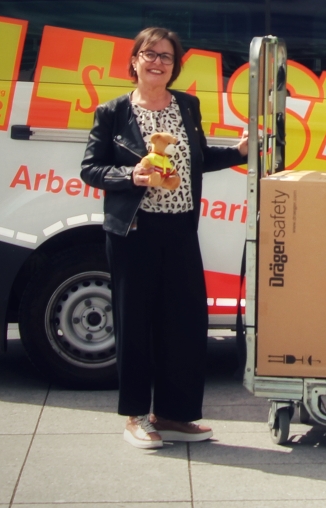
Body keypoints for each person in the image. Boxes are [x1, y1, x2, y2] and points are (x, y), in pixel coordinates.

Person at [81, 27, 248, 449]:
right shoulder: (113, 111)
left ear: (175, 67)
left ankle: (173, 415)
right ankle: (136, 417)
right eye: (150, 54)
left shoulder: (187, 106)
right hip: (134, 231)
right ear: (134, 60)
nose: (157, 62)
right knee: (136, 324)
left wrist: (240, 153)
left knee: (185, 323)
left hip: (179, 229)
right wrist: (130, 175)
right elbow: (90, 168)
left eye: (167, 57)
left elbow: (200, 158)